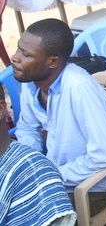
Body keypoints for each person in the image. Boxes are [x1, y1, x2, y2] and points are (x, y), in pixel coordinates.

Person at [13, 19, 106, 193]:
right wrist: (32, 166)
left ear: (53, 62)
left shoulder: (78, 87)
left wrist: (50, 175)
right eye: (19, 48)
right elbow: (27, 128)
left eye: (26, 54)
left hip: (88, 181)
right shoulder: (31, 82)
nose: (15, 57)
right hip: (54, 171)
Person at [0, 84, 76, 225]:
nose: (16, 60)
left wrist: (54, 171)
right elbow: (27, 128)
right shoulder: (29, 88)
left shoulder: (32, 175)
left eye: (27, 59)